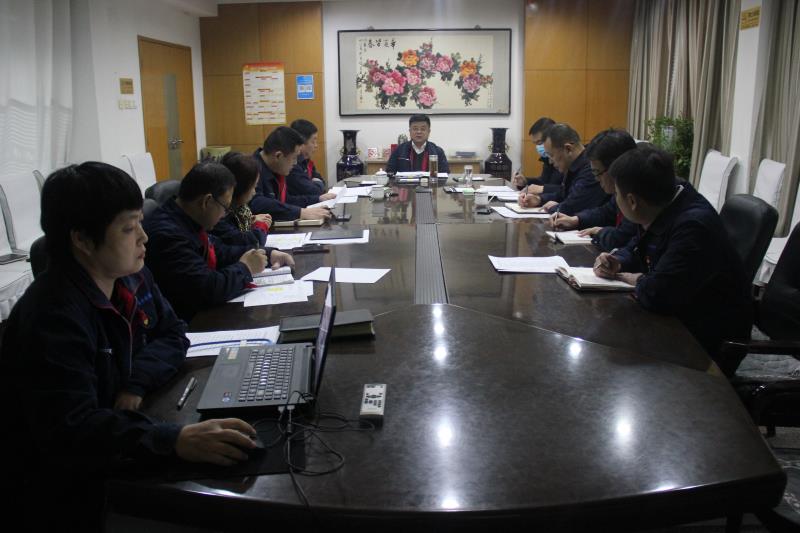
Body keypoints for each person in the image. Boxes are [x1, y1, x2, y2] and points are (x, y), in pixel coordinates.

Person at [0, 162, 261, 530]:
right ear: (82, 240)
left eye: (140, 222)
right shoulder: (52, 316)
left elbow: (174, 333)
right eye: (128, 227)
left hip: (122, 437)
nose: (144, 237)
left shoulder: (130, 275)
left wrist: (135, 382)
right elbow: (73, 429)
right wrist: (173, 439)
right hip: (68, 493)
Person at [592, 146, 753, 376]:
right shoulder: (662, 202)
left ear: (632, 201)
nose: (615, 200)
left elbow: (658, 294)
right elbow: (639, 246)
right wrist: (619, 260)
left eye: (616, 194)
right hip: (681, 314)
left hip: (705, 339)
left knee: (618, 364)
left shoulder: (693, 226)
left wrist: (635, 279)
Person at [144, 161, 294, 321]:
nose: (224, 215)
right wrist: (246, 268)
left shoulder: (188, 219)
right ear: (207, 202)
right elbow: (206, 289)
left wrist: (266, 254)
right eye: (225, 207)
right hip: (191, 322)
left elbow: (221, 251)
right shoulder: (167, 235)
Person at [549, 128, 639, 252]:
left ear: (616, 168)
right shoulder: (619, 192)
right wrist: (577, 220)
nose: (596, 179)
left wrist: (601, 232)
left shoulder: (636, 194)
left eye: (597, 172)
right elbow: (606, 212)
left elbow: (623, 237)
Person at [518, 123, 608, 215]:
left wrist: (555, 207)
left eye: (552, 155)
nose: (550, 162)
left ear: (568, 149)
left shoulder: (590, 168)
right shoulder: (573, 165)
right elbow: (563, 194)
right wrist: (539, 199)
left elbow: (572, 206)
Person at [251, 126, 334, 221]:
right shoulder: (251, 169)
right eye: (294, 158)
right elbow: (257, 203)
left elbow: (286, 200)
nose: (295, 163)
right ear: (278, 156)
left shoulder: (275, 168)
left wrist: (318, 199)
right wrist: (301, 213)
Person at [213, 151, 272, 248]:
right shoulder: (219, 215)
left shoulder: (240, 210)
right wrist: (261, 226)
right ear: (240, 188)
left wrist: (251, 221)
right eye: (253, 187)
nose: (254, 192)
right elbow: (252, 242)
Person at [511, 117, 562, 194]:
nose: (538, 147)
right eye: (536, 144)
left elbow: (566, 190)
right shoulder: (546, 158)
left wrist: (542, 192)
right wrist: (526, 181)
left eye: (540, 142)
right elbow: (544, 182)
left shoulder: (565, 158)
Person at [290, 118, 326, 194]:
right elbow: (313, 191)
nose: (316, 145)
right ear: (301, 143)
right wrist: (318, 183)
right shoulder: (293, 164)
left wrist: (317, 183)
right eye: (313, 141)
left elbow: (321, 180)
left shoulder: (306, 160)